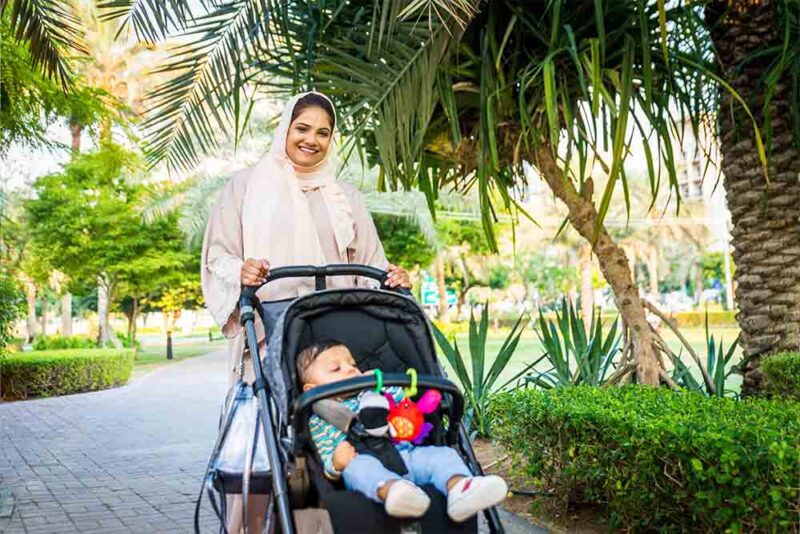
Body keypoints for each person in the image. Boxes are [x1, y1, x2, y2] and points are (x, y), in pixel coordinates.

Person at [200, 91, 411, 533]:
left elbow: (371, 260)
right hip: (269, 337)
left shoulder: (345, 196)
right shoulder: (244, 187)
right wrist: (242, 269)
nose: (311, 139)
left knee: (331, 448)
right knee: (258, 461)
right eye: (302, 128)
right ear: (285, 129)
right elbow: (217, 256)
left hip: (332, 345)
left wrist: (392, 277)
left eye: (323, 132)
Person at [298, 341, 508, 522]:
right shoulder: (319, 421)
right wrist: (336, 464)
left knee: (442, 455)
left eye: (353, 364)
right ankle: (394, 492)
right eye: (336, 369)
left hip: (408, 455)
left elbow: (406, 407)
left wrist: (383, 385)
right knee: (358, 468)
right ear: (311, 389)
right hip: (365, 463)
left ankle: (460, 488)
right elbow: (327, 465)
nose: (351, 370)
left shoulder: (378, 391)